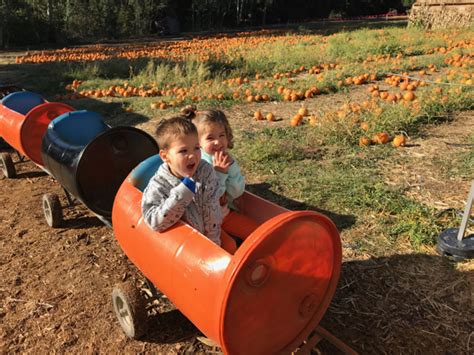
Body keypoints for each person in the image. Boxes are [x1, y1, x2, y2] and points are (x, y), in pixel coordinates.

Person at [142, 116, 234, 251]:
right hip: (182, 244)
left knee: (230, 246)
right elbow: (155, 223)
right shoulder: (159, 185)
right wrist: (181, 194)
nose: (193, 156)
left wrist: (213, 243)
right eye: (183, 151)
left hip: (209, 234)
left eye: (196, 148)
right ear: (165, 156)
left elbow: (211, 207)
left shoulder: (205, 171)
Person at [181, 106, 259, 247]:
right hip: (204, 221)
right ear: (197, 143)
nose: (218, 141)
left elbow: (236, 193)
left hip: (224, 214)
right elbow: (207, 198)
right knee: (229, 246)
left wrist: (232, 169)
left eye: (221, 135)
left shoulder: (224, 158)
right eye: (210, 137)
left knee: (258, 233)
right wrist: (220, 174)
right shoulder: (197, 164)